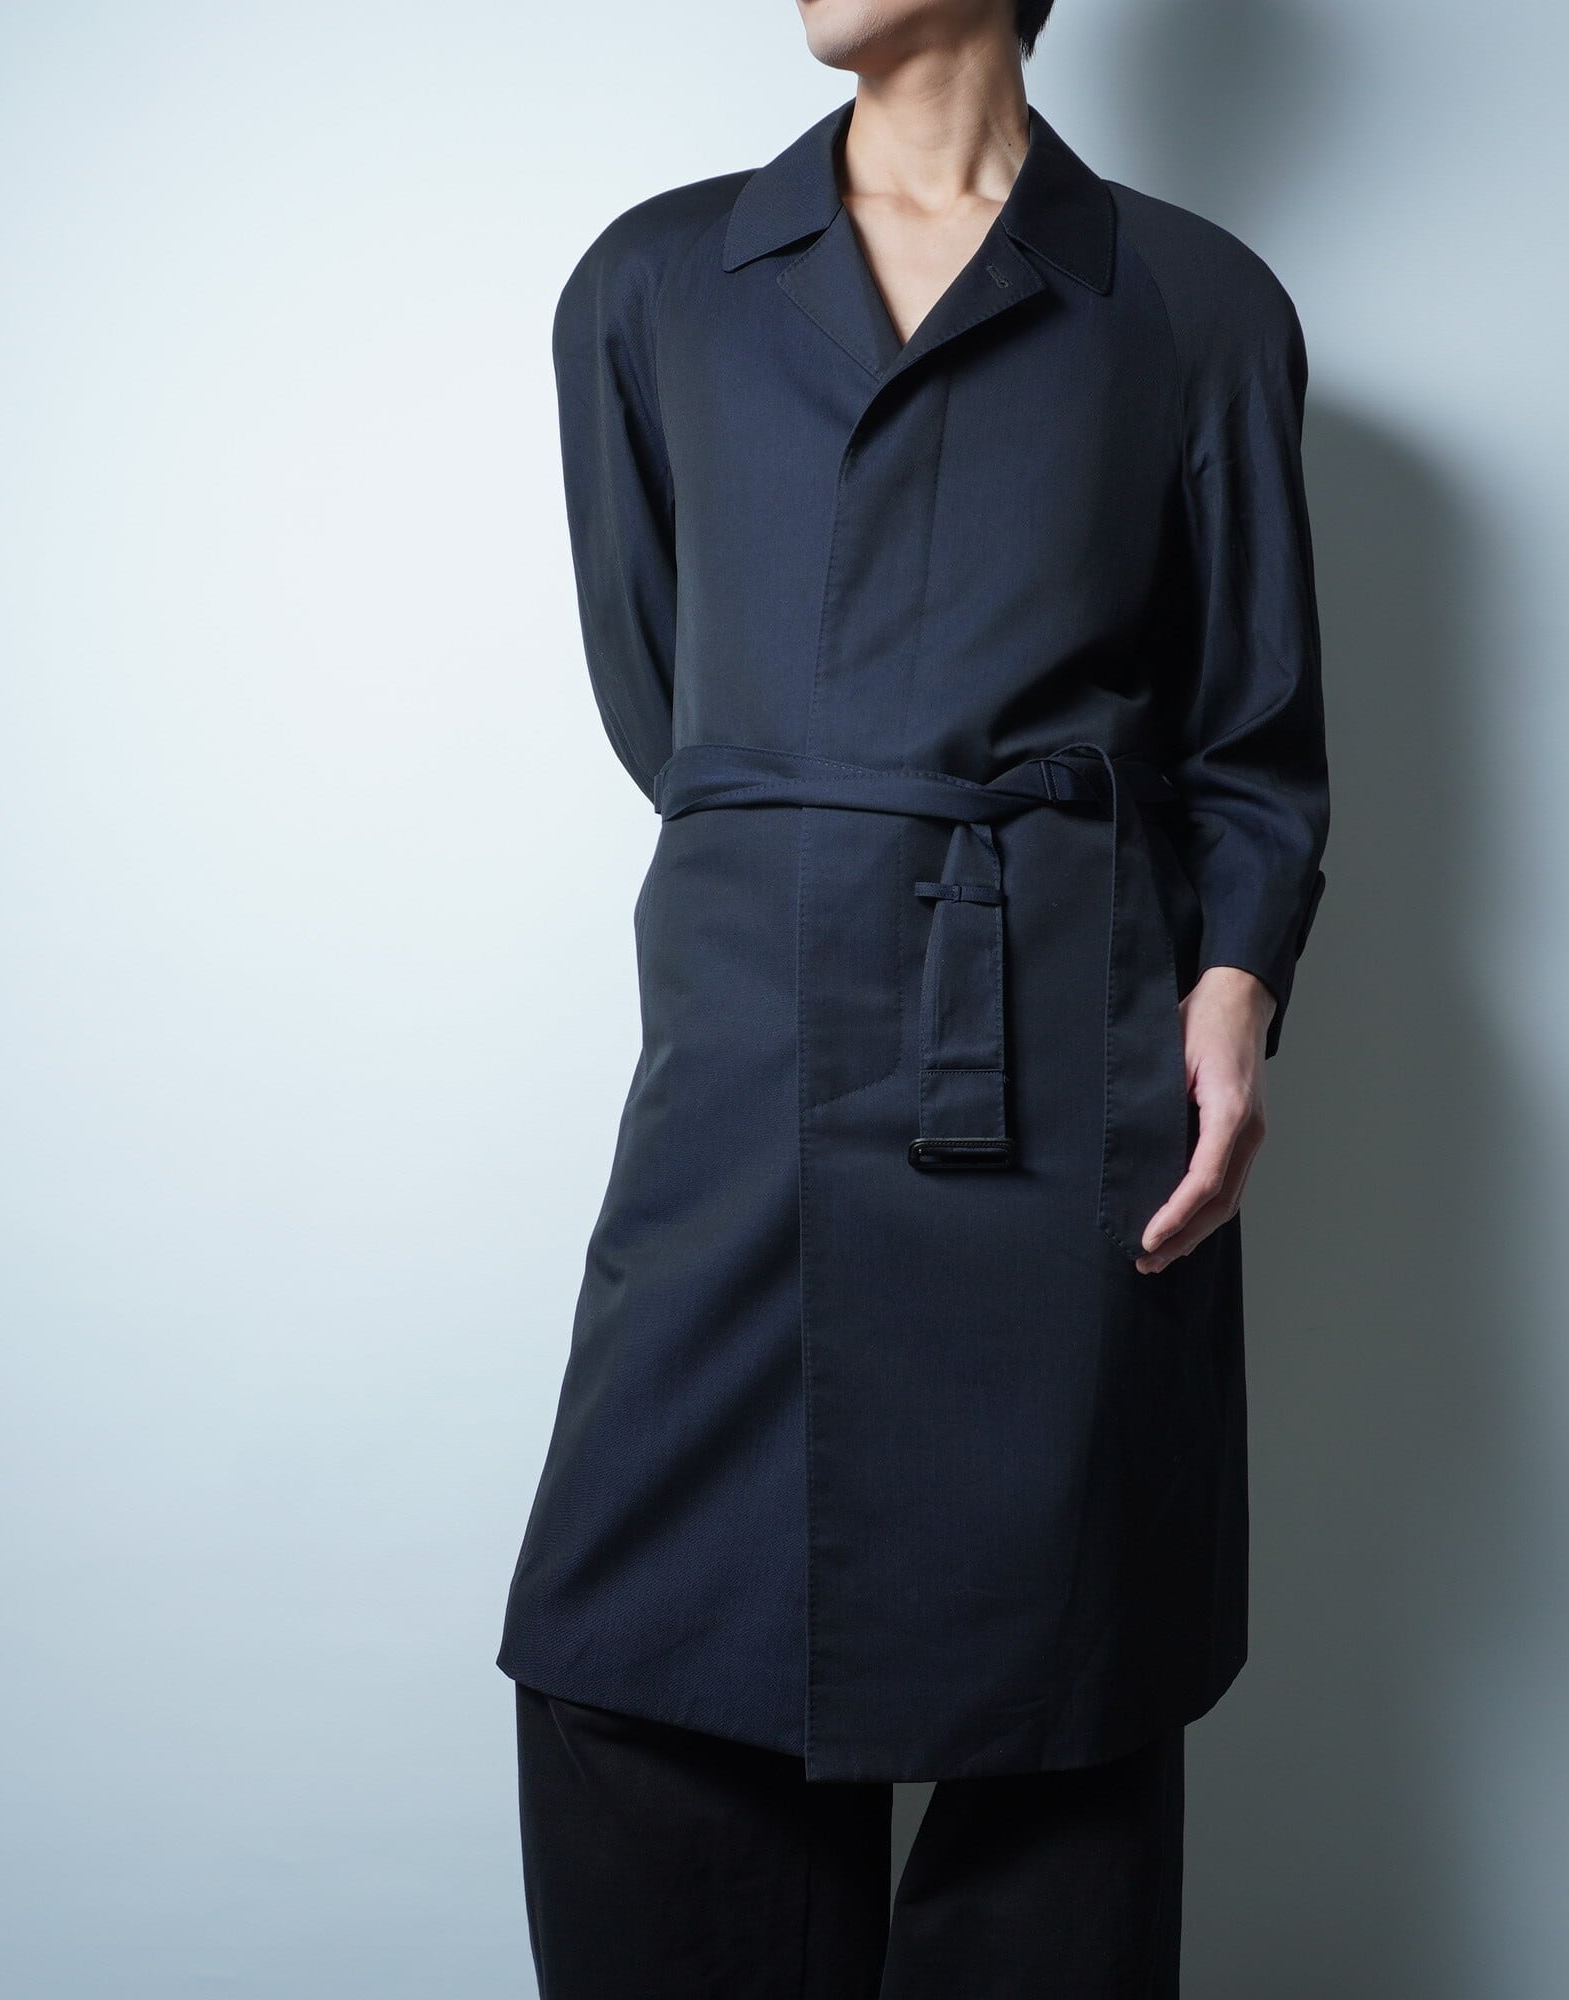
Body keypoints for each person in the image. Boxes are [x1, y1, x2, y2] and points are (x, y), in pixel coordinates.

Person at [497, 0, 1329, 1989]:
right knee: (638, 1650)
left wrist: (1231, 992)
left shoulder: (1191, 302)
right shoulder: (657, 283)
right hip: (749, 1048)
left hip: (1061, 1052)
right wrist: (826, 848)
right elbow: (663, 689)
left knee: (1063, 1707)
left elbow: (1249, 738)